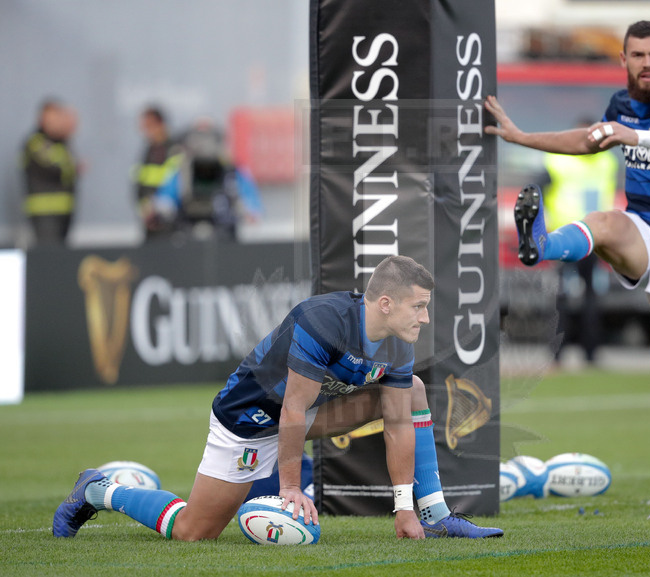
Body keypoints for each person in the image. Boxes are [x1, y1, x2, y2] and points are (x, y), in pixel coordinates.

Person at [53, 255, 503, 540]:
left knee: (410, 392)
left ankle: (434, 515)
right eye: (418, 306)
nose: (425, 318)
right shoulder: (321, 321)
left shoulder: (399, 343)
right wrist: (289, 488)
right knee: (194, 532)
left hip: (308, 416)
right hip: (250, 422)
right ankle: (98, 489)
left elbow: (398, 423)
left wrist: (403, 508)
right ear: (385, 303)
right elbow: (291, 407)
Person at [485, 20, 650, 519]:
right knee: (610, 221)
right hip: (643, 230)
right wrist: (521, 136)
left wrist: (635, 135)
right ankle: (542, 244)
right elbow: (587, 140)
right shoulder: (621, 104)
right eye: (638, 55)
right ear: (624, 60)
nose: (648, 63)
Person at [539, 118, 619, 365]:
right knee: (590, 297)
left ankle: (559, 355)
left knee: (562, 297)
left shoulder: (558, 160)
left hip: (567, 238)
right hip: (592, 237)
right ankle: (590, 354)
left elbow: (535, 192)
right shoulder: (607, 161)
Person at [152, 118, 262, 241]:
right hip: (187, 230)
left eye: (208, 138)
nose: (203, 144)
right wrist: (162, 209)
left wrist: (249, 213)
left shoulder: (232, 172)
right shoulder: (181, 172)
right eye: (198, 139)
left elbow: (250, 201)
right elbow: (165, 197)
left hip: (224, 232)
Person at [20, 99, 80, 245]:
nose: (56, 122)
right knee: (50, 253)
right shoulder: (35, 143)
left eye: (58, 118)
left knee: (61, 253)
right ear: (42, 120)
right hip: (44, 212)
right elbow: (58, 169)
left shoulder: (61, 143)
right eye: (52, 118)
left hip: (64, 210)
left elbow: (70, 167)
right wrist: (73, 168)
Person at [132, 106, 183, 240]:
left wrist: (159, 207)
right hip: (150, 224)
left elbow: (179, 187)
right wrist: (145, 209)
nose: (146, 131)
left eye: (149, 126)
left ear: (161, 124)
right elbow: (140, 185)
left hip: (172, 225)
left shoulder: (175, 150)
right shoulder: (148, 151)